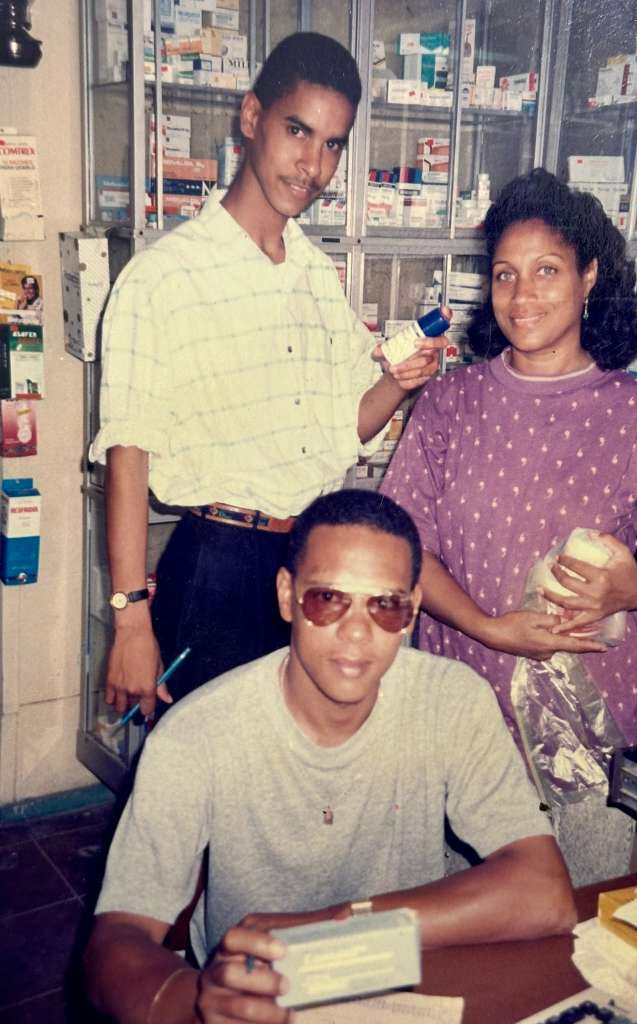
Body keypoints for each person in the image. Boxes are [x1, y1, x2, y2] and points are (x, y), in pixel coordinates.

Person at [84, 489, 576, 1024]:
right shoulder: (196, 735)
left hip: (403, 988)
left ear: (412, 610)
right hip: (257, 1000)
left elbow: (545, 891)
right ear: (287, 596)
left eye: (385, 605)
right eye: (327, 599)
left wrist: (335, 928)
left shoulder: (452, 700)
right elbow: (115, 940)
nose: (357, 631)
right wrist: (200, 1000)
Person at [89, 32, 444, 722]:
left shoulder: (314, 274)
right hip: (217, 568)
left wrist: (398, 381)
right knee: (205, 767)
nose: (313, 165)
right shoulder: (166, 276)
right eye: (297, 131)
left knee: (301, 763)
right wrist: (131, 621)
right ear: (251, 118)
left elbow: (346, 425)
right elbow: (128, 454)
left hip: (311, 566)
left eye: (333, 144)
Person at [380, 168, 637, 876]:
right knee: (454, 911)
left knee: (576, 913)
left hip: (588, 728)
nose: (522, 295)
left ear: (588, 275)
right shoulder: (449, 403)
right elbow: (404, 547)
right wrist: (488, 627)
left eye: (546, 271)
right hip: (460, 713)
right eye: (505, 275)